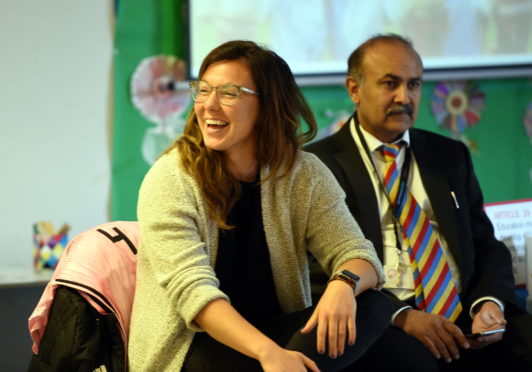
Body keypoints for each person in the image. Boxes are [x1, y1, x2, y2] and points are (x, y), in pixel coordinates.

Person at [128, 40, 392, 372]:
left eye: (228, 93)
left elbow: (356, 251)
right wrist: (270, 354)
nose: (208, 105)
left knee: (373, 305)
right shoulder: (170, 178)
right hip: (193, 343)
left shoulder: (303, 172)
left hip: (276, 331)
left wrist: (343, 284)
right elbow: (195, 294)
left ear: (267, 104)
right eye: (204, 90)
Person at [306, 33, 532, 371]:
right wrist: (402, 316)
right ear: (354, 89)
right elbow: (312, 270)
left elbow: (487, 246)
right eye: (390, 83)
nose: (404, 97)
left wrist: (489, 304)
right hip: (385, 322)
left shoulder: (448, 155)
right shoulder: (317, 165)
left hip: (465, 316)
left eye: (414, 84)